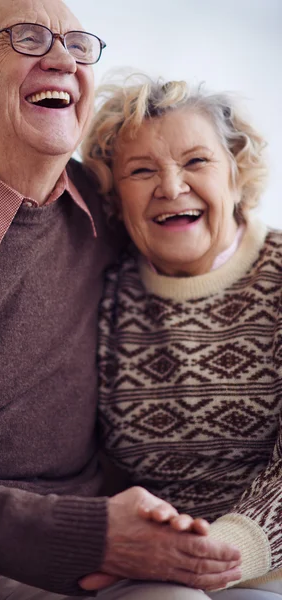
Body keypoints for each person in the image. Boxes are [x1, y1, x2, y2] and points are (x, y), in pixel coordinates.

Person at [0, 2, 242, 598]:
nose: (61, 60)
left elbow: (212, 230)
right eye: (28, 39)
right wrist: (82, 532)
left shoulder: (105, 210)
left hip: (83, 544)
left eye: (78, 46)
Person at [82, 74, 282, 599]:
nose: (171, 188)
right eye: (141, 170)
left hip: (265, 572)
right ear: (115, 197)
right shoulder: (105, 290)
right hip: (144, 572)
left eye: (196, 162)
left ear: (238, 174)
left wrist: (209, 553)